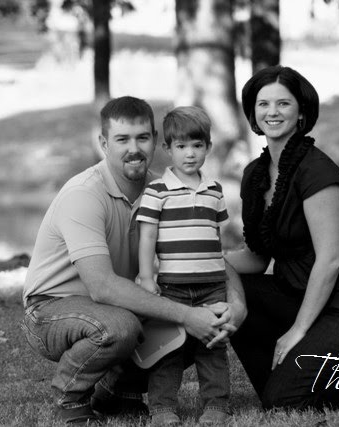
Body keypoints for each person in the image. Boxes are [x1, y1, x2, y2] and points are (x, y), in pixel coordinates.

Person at [21, 97, 246, 425]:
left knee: (193, 319)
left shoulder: (165, 191)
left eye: (142, 138)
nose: (134, 149)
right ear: (103, 143)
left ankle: (116, 391)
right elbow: (102, 287)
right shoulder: (84, 194)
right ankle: (69, 398)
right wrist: (188, 315)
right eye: (122, 139)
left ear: (155, 140)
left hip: (120, 304)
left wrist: (237, 305)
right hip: (51, 309)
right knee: (123, 326)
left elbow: (207, 253)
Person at [224, 65, 339, 410]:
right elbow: (257, 257)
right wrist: (206, 260)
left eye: (283, 103)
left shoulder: (317, 171)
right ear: (253, 112)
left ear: (301, 113)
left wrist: (297, 330)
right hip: (297, 295)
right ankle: (289, 376)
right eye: (263, 104)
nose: (272, 112)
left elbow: (330, 260)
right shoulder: (255, 175)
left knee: (284, 400)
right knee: (237, 293)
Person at [136, 106, 232, 426]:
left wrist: (222, 276)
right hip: (172, 285)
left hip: (212, 285)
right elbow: (147, 235)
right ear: (167, 149)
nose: (190, 153)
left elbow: (216, 235)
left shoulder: (215, 190)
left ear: (208, 147)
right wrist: (147, 276)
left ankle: (217, 405)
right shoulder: (157, 191)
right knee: (169, 349)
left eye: (197, 145)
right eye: (181, 146)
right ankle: (162, 408)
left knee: (212, 346)